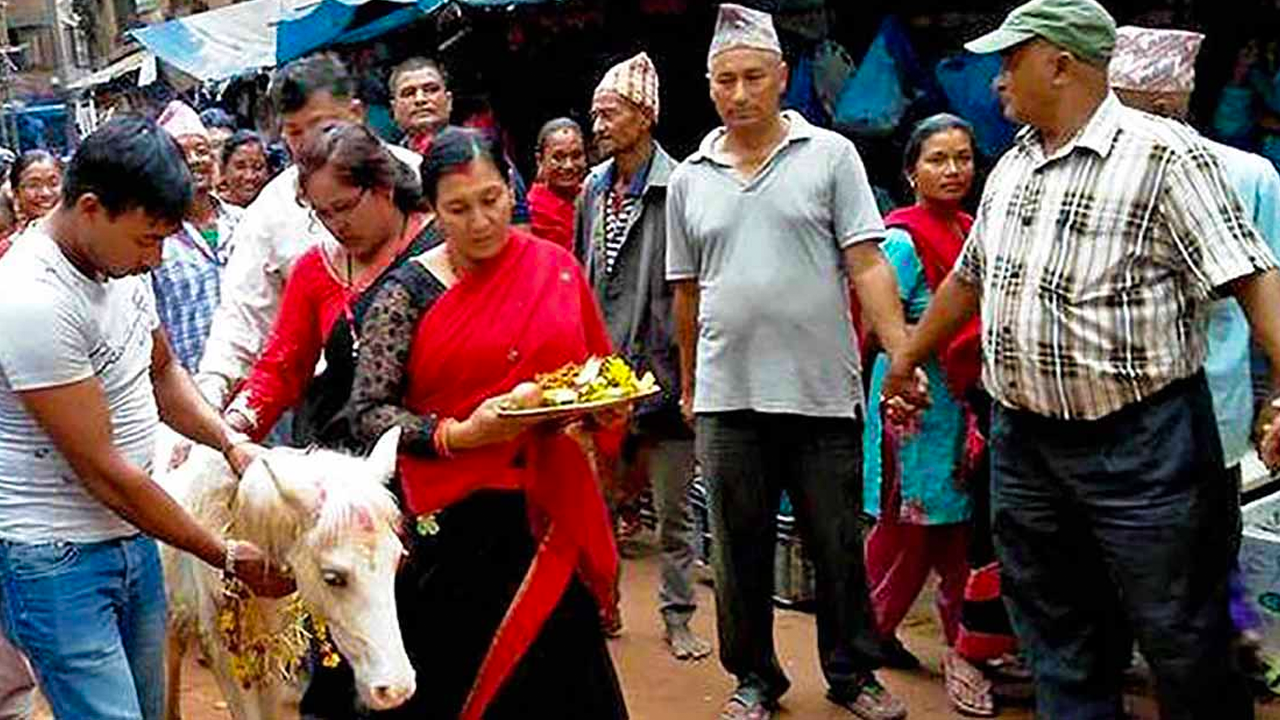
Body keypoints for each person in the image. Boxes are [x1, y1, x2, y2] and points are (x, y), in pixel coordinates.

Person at [883, 1, 1280, 716]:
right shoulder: (1013, 167)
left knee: (1179, 635)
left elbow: (1251, 273)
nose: (998, 79)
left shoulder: (1164, 155)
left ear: (1060, 64)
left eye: (1012, 60)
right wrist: (909, 356)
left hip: (1142, 446)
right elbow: (969, 281)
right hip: (1027, 444)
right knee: (1058, 637)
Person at [666, 5, 915, 719]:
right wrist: (689, 383)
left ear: (781, 78)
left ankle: (852, 674)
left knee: (836, 543)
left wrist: (900, 352)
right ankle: (753, 678)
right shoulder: (691, 176)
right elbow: (687, 293)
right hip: (725, 393)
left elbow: (866, 264)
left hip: (819, 391)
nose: (739, 93)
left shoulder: (831, 156)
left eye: (752, 78)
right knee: (738, 552)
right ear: (709, 88)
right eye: (725, 81)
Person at [0, 116, 292, 720]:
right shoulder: (31, 297)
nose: (155, 259)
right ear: (89, 208)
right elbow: (104, 473)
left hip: (133, 533)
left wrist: (229, 443)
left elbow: (161, 372)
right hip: (56, 555)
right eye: (147, 240)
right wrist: (224, 554)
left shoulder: (119, 265)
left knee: (153, 708)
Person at [344, 126, 627, 719]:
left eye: (492, 199)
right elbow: (368, 415)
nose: (480, 221)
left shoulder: (554, 268)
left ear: (511, 189)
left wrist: (602, 407)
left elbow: (595, 369)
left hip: (547, 505)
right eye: (458, 208)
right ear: (432, 209)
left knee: (567, 685)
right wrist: (460, 434)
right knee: (455, 680)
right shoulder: (406, 294)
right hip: (453, 523)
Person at [573, 51, 710, 661]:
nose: (599, 125)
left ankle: (678, 616)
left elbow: (695, 287)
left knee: (675, 509)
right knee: (596, 503)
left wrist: (691, 379)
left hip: (664, 368)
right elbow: (582, 279)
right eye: (596, 113)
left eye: (612, 113)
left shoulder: (680, 184)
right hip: (603, 376)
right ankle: (602, 605)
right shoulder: (591, 191)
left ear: (646, 117)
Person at [857, 113, 995, 715]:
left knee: (958, 533)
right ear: (911, 170)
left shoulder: (972, 229)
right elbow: (877, 325)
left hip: (962, 407)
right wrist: (920, 349)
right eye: (938, 159)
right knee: (907, 534)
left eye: (963, 158)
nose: (953, 170)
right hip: (913, 405)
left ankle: (965, 645)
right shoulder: (900, 240)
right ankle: (864, 642)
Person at [194, 53, 421, 413]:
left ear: (356, 115)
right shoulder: (272, 213)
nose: (307, 144)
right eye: (294, 132)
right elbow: (246, 322)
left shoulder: (420, 178)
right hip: (332, 413)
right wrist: (213, 398)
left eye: (322, 126)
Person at [223, 121, 436, 450]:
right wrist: (233, 426)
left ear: (384, 187)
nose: (337, 225)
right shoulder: (316, 269)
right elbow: (282, 368)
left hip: (442, 444)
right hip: (349, 465)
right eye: (322, 214)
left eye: (345, 207)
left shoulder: (441, 248)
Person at [151, 101, 244, 373]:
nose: (195, 160)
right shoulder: (155, 237)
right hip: (192, 388)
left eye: (202, 151)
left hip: (256, 385)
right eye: (182, 154)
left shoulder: (244, 222)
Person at [528, 117, 586, 251]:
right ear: (540, 160)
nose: (568, 165)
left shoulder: (594, 199)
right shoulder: (532, 210)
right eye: (558, 157)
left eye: (576, 156)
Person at [388, 57, 453, 156]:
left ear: (448, 101)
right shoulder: (386, 161)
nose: (420, 99)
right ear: (394, 108)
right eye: (408, 93)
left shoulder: (476, 150)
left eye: (431, 90)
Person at [10, 150, 62, 234]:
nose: (46, 193)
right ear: (16, 193)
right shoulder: (11, 245)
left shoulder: (82, 237)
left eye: (53, 184)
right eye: (33, 185)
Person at [219, 130, 270, 208]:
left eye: (258, 167)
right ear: (223, 170)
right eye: (240, 167)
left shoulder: (280, 205)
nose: (249, 176)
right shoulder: (213, 209)